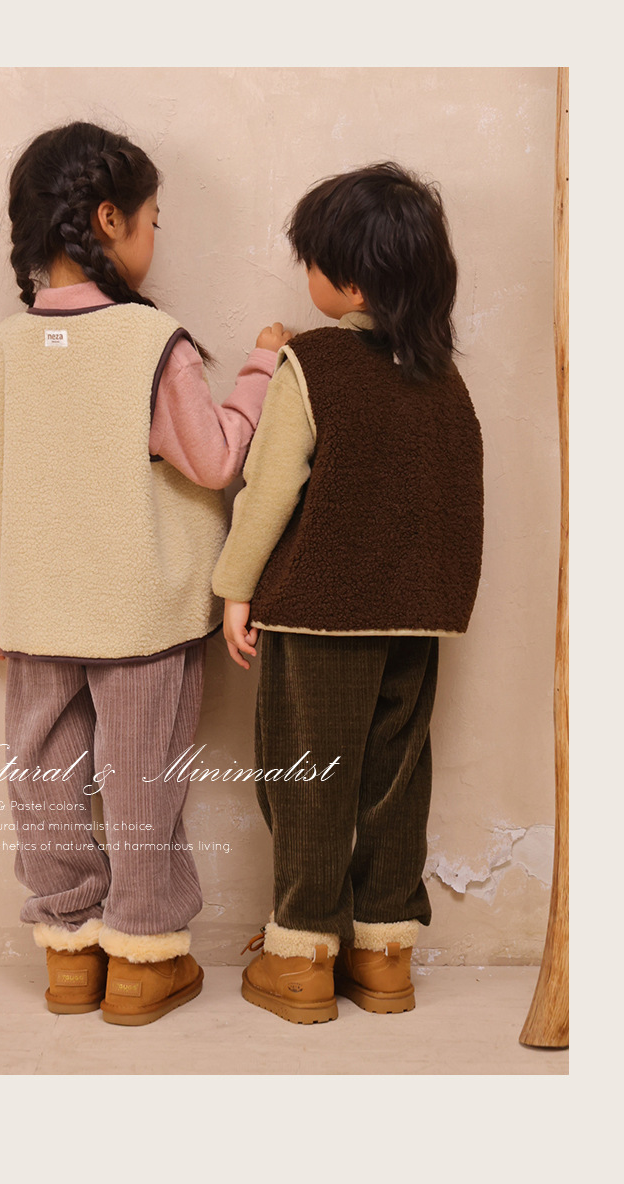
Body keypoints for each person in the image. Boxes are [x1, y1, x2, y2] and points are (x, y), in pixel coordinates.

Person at [0, 121, 290, 1025]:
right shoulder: (152, 342)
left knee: (43, 780)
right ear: (109, 219)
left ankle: (69, 954)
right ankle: (143, 959)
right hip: (143, 613)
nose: (154, 237)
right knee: (142, 782)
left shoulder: (4, 347)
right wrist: (260, 369)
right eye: (152, 221)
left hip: (40, 612)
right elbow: (215, 460)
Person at [212, 162, 484, 1024]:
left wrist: (235, 588)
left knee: (309, 781)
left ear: (353, 283)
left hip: (320, 614)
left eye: (314, 262)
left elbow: (269, 489)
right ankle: (386, 955)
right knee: (396, 779)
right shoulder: (443, 378)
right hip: (416, 616)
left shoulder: (312, 364)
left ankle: (300, 957)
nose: (307, 275)